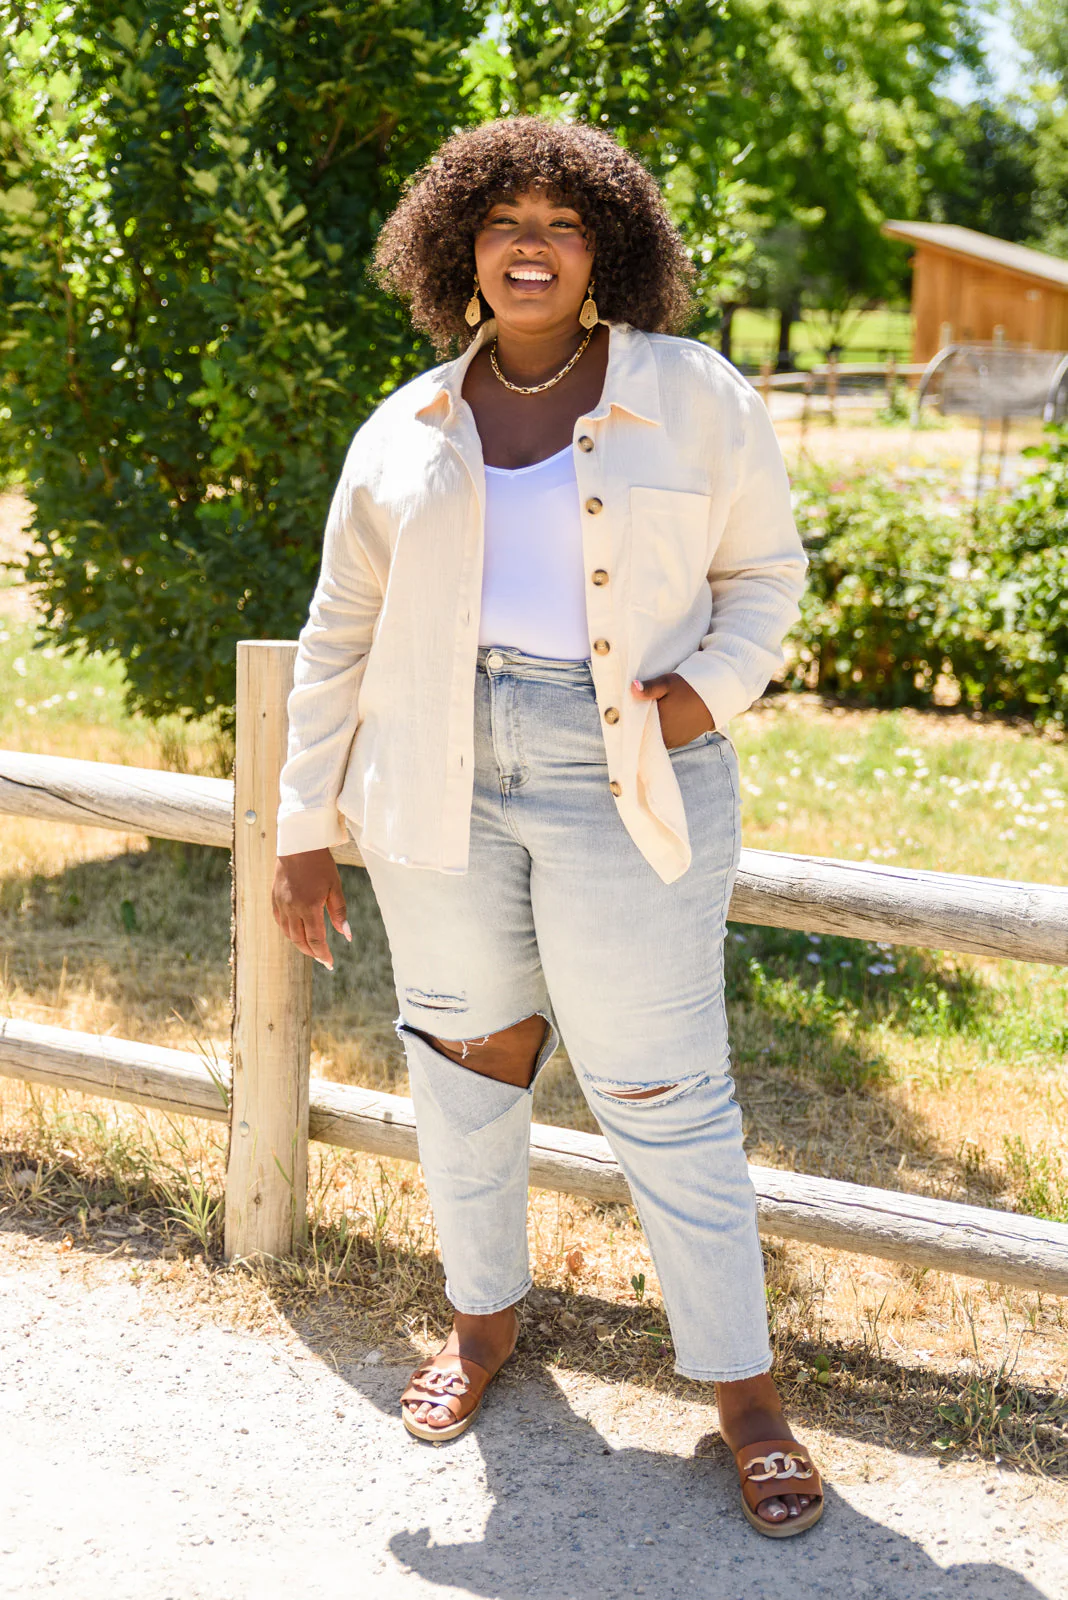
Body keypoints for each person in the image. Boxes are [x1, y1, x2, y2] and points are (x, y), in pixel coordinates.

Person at [271, 116, 819, 1537]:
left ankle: (747, 1396)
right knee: (465, 1058)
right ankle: (481, 1322)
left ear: (604, 251)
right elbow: (339, 635)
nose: (532, 245)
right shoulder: (403, 429)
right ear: (457, 248)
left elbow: (766, 575)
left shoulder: (691, 393)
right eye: (504, 221)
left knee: (663, 1089)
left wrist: (700, 697)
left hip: (624, 766)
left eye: (563, 224)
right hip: (435, 767)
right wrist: (301, 825)